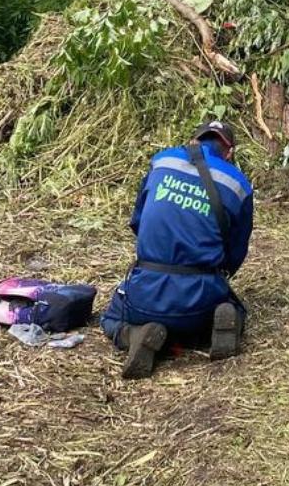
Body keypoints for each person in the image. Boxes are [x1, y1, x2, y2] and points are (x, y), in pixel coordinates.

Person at [100, 119, 252, 379]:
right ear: (230, 153)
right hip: (201, 296)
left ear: (194, 141)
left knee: (110, 319)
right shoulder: (238, 184)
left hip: (144, 294)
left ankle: (135, 334)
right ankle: (217, 324)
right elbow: (235, 253)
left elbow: (137, 222)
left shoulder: (162, 162)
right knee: (234, 307)